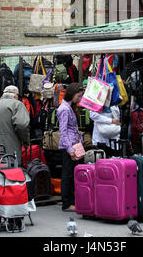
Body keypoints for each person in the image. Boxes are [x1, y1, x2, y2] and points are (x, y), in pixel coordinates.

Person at [0, 85, 30, 166]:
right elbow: (22, 125)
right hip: (12, 150)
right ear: (15, 95)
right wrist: (25, 140)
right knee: (11, 174)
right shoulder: (18, 105)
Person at [57, 82, 84, 212]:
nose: (79, 99)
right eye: (78, 96)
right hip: (70, 146)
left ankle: (71, 201)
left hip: (74, 144)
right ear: (72, 94)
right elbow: (63, 131)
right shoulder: (64, 109)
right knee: (68, 174)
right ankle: (67, 203)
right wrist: (70, 149)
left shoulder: (69, 108)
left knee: (72, 174)